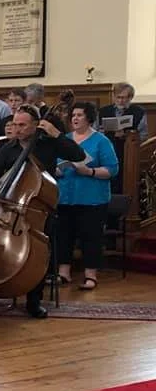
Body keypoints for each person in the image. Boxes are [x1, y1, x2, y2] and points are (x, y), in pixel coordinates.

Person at [0, 104, 86, 318]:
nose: (17, 129)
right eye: (14, 124)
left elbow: (78, 155)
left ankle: (34, 301)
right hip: (9, 209)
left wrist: (57, 135)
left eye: (22, 125)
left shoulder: (49, 144)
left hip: (38, 211)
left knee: (38, 253)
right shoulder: (9, 147)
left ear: (36, 125)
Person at [55, 102, 119, 291]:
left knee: (90, 237)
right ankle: (63, 273)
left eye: (80, 115)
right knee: (63, 236)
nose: (75, 118)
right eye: (73, 115)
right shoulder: (65, 139)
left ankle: (90, 276)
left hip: (92, 198)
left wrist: (89, 172)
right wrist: (56, 171)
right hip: (65, 197)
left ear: (89, 118)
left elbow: (112, 169)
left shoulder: (101, 141)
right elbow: (53, 163)